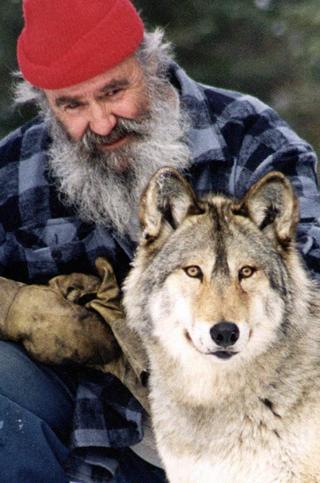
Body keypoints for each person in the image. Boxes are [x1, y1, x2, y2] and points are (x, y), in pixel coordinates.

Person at [0, 0, 319, 481]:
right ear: (43, 101)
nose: (103, 122)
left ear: (151, 63)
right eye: (72, 104)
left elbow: (309, 275)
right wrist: (12, 306)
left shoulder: (251, 136)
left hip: (249, 420)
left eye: (114, 90)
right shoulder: (14, 169)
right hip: (91, 422)